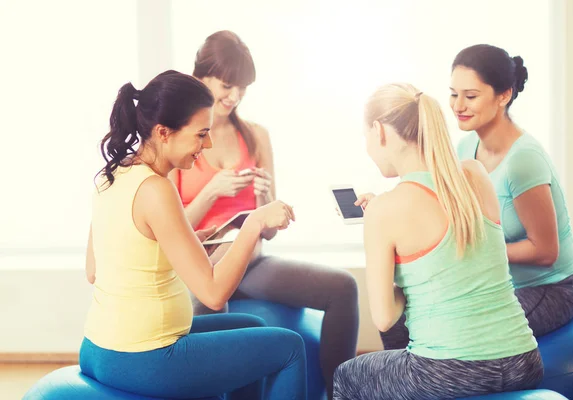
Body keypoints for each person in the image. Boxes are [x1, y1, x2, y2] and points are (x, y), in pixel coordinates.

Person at [80, 70, 306, 400]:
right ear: (163, 132)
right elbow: (213, 295)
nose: (208, 144)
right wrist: (254, 223)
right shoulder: (157, 189)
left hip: (98, 349)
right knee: (290, 348)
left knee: (253, 328)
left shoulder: (113, 174)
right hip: (145, 358)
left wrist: (188, 241)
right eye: (201, 134)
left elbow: (96, 268)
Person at [168, 30, 359, 399]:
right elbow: (173, 229)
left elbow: (267, 232)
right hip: (198, 264)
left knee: (343, 288)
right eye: (227, 85)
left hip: (249, 260)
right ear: (199, 77)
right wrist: (210, 194)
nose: (234, 97)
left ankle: (339, 393)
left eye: (242, 89)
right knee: (212, 295)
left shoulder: (255, 136)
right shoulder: (178, 137)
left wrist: (265, 199)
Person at [333, 83, 543, 399]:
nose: (367, 147)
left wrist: (395, 266)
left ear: (379, 131)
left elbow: (385, 316)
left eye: (365, 137)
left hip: (450, 372)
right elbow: (459, 251)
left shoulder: (385, 210)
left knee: (347, 376)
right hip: (524, 361)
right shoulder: (475, 174)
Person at [451, 44, 573, 337]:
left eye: (470, 96)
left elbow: (545, 251)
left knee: (460, 332)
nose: (458, 106)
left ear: (504, 95)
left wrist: (478, 252)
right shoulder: (465, 149)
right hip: (499, 282)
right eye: (453, 93)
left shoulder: (523, 160)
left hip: (549, 289)